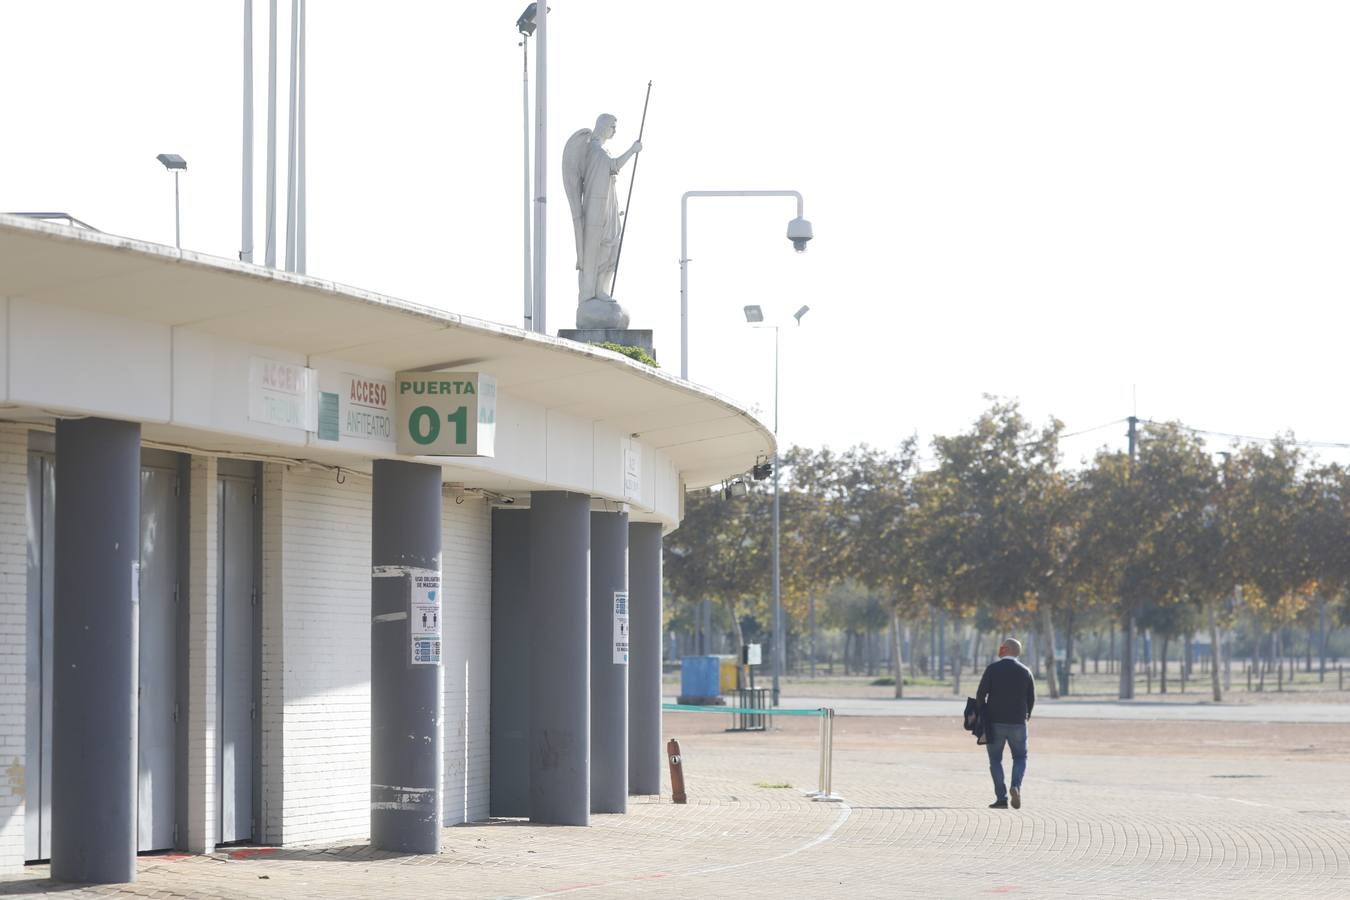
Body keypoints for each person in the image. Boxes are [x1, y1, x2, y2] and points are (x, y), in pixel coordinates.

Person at [562, 114, 642, 324]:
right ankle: (594, 292)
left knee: (612, 247)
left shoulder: (600, 150)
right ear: (604, 126)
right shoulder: (595, 151)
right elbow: (613, 165)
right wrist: (632, 151)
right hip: (597, 211)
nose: (614, 131)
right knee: (602, 249)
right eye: (613, 127)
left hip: (608, 208)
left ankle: (602, 290)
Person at [975, 637, 1035, 809]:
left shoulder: (992, 669)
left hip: (995, 723)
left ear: (1004, 650)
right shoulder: (1025, 671)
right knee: (1020, 757)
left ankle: (1001, 798)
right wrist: (1027, 715)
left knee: (995, 760)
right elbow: (1031, 698)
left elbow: (980, 695)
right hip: (1018, 722)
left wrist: (983, 713)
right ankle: (1015, 786)